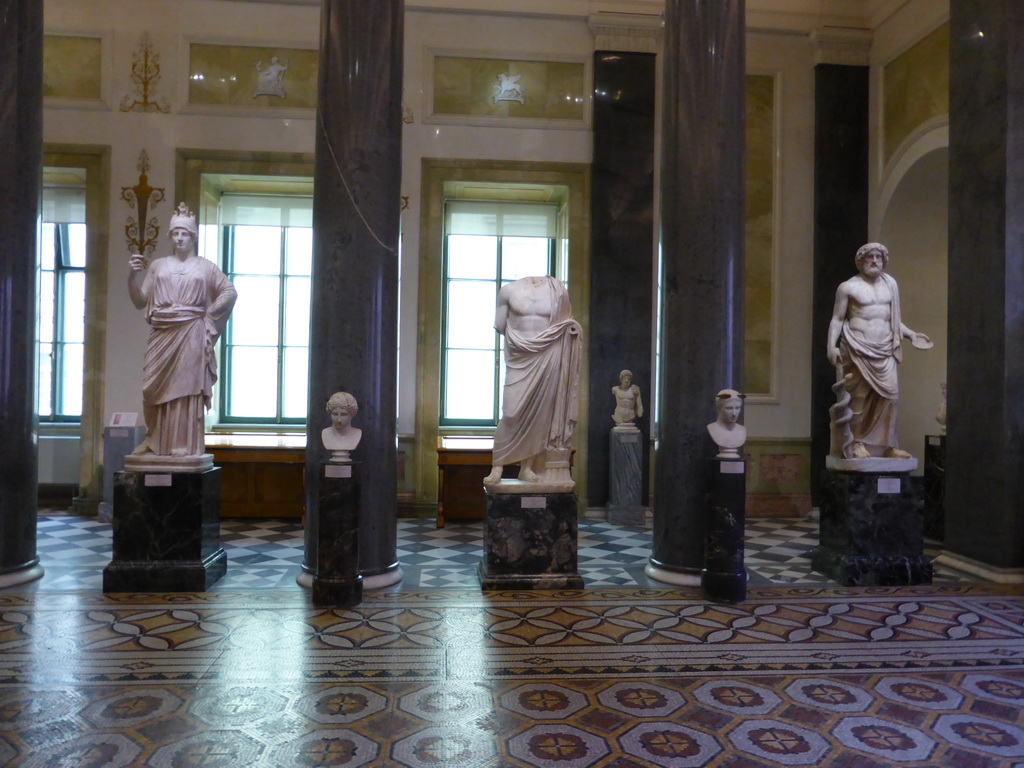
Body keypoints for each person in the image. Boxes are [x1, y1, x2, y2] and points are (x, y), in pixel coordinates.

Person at [128, 203, 237, 457]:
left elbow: (229, 291)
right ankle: (154, 440)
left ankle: (183, 446)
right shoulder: (158, 265)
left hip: (191, 332)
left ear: (193, 236)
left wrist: (208, 318)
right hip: (162, 332)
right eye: (175, 233)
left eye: (184, 233)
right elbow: (140, 300)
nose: (179, 238)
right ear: (170, 236)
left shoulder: (205, 266)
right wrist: (130, 277)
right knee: (150, 388)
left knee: (186, 389)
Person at [826, 242, 932, 460]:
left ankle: (887, 446)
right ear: (860, 260)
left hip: (885, 349)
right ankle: (856, 442)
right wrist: (831, 345)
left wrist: (911, 334)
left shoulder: (890, 284)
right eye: (869, 257)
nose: (874, 261)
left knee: (890, 398)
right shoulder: (848, 287)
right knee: (859, 396)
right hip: (857, 347)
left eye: (879, 257)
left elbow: (893, 320)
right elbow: (837, 318)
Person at [483, 276, 582, 486]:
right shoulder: (508, 290)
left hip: (548, 355)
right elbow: (500, 326)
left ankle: (526, 468)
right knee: (510, 412)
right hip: (520, 356)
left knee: (541, 415)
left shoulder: (558, 291)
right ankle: (497, 467)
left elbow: (565, 324)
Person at [322, 392, 362, 462]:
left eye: (344, 414)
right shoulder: (325, 433)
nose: (339, 419)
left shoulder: (357, 433)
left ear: (351, 415)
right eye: (335, 414)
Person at [706, 389, 746, 458]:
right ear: (719, 408)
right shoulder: (712, 428)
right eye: (729, 408)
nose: (734, 413)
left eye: (737, 408)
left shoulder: (742, 430)